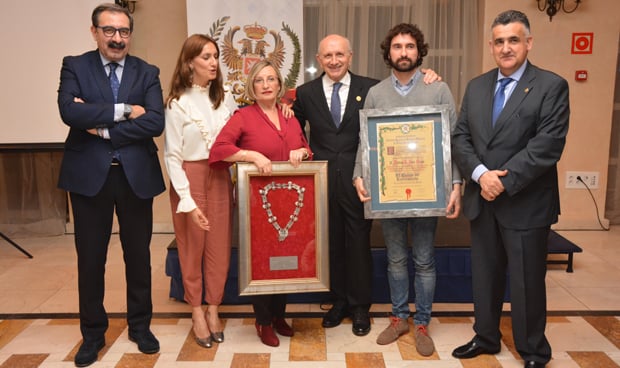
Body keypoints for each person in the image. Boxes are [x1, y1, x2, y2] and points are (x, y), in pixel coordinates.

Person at [292, 34, 440, 337]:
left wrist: (429, 74)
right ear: (318, 60)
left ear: (351, 56)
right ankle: (338, 302)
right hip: (321, 181)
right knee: (330, 243)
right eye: (327, 56)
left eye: (340, 55)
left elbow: (398, 104)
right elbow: (293, 128)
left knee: (359, 244)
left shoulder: (371, 87)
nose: (334, 61)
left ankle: (360, 307)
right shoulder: (305, 93)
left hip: (361, 179)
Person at [451, 10, 569, 368]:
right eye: (499, 41)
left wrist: (499, 181)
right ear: (491, 46)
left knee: (526, 283)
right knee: (484, 277)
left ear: (528, 43)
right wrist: (480, 174)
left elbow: (547, 145)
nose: (506, 48)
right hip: (482, 200)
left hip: (525, 203)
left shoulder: (551, 86)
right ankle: (487, 337)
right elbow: (460, 137)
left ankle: (533, 350)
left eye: (513, 40)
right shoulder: (477, 86)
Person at [56, 3, 165, 367]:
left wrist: (100, 126)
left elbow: (154, 123)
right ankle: (92, 334)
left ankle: (140, 326)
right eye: (109, 30)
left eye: (123, 31)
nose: (117, 38)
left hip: (135, 176)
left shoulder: (147, 71)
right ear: (94, 32)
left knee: (138, 257)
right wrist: (122, 110)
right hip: (89, 178)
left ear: (130, 34)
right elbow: (70, 112)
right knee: (90, 260)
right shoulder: (75, 65)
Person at [351, 23, 462, 356]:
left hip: (429, 191)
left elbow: (453, 142)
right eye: (397, 47)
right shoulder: (376, 93)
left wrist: (456, 184)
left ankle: (423, 321)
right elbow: (364, 138)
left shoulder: (438, 89)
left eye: (410, 46)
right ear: (389, 53)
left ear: (419, 51)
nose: (403, 52)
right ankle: (399, 317)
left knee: (425, 261)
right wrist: (359, 174)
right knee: (396, 260)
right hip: (390, 194)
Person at [209, 60, 311, 347]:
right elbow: (218, 151)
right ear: (252, 87)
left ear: (279, 85)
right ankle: (263, 321)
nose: (266, 85)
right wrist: (251, 155)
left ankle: (279, 316)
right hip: (257, 205)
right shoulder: (243, 116)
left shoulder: (290, 116)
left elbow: (307, 147)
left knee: (285, 261)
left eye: (271, 79)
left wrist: (301, 151)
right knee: (262, 264)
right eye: (259, 81)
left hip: (291, 205)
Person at [164, 34, 238, 348]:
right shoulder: (176, 103)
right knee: (192, 248)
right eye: (206, 56)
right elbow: (172, 155)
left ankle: (213, 308)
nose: (213, 62)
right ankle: (196, 310)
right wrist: (188, 200)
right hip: (189, 178)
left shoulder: (226, 97)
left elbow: (243, 135)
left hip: (221, 177)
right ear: (189, 61)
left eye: (215, 56)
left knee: (219, 249)